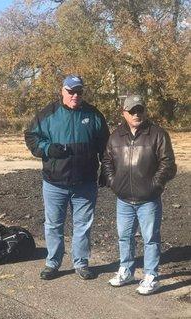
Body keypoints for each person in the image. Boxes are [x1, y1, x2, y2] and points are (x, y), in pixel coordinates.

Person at [25, 74, 109, 280]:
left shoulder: (94, 115)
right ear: (62, 91)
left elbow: (106, 146)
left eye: (79, 91)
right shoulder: (48, 114)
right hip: (55, 183)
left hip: (85, 183)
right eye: (71, 91)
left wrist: (106, 170)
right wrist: (47, 148)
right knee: (53, 225)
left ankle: (81, 263)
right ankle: (52, 263)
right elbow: (31, 135)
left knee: (83, 225)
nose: (75, 95)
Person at [102, 94, 176, 294]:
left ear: (145, 110)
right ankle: (126, 270)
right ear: (123, 113)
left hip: (148, 199)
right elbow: (107, 161)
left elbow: (168, 164)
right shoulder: (116, 136)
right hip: (123, 199)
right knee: (124, 237)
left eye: (140, 109)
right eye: (132, 110)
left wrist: (155, 185)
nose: (137, 114)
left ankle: (151, 276)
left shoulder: (158, 134)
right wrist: (113, 182)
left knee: (150, 237)